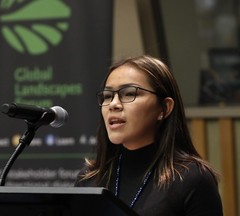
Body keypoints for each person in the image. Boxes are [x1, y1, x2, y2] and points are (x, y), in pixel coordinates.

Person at [74, 55, 223, 215]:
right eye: (108, 96)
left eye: (129, 94)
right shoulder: (89, 178)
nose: (113, 104)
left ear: (164, 108)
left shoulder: (192, 178)